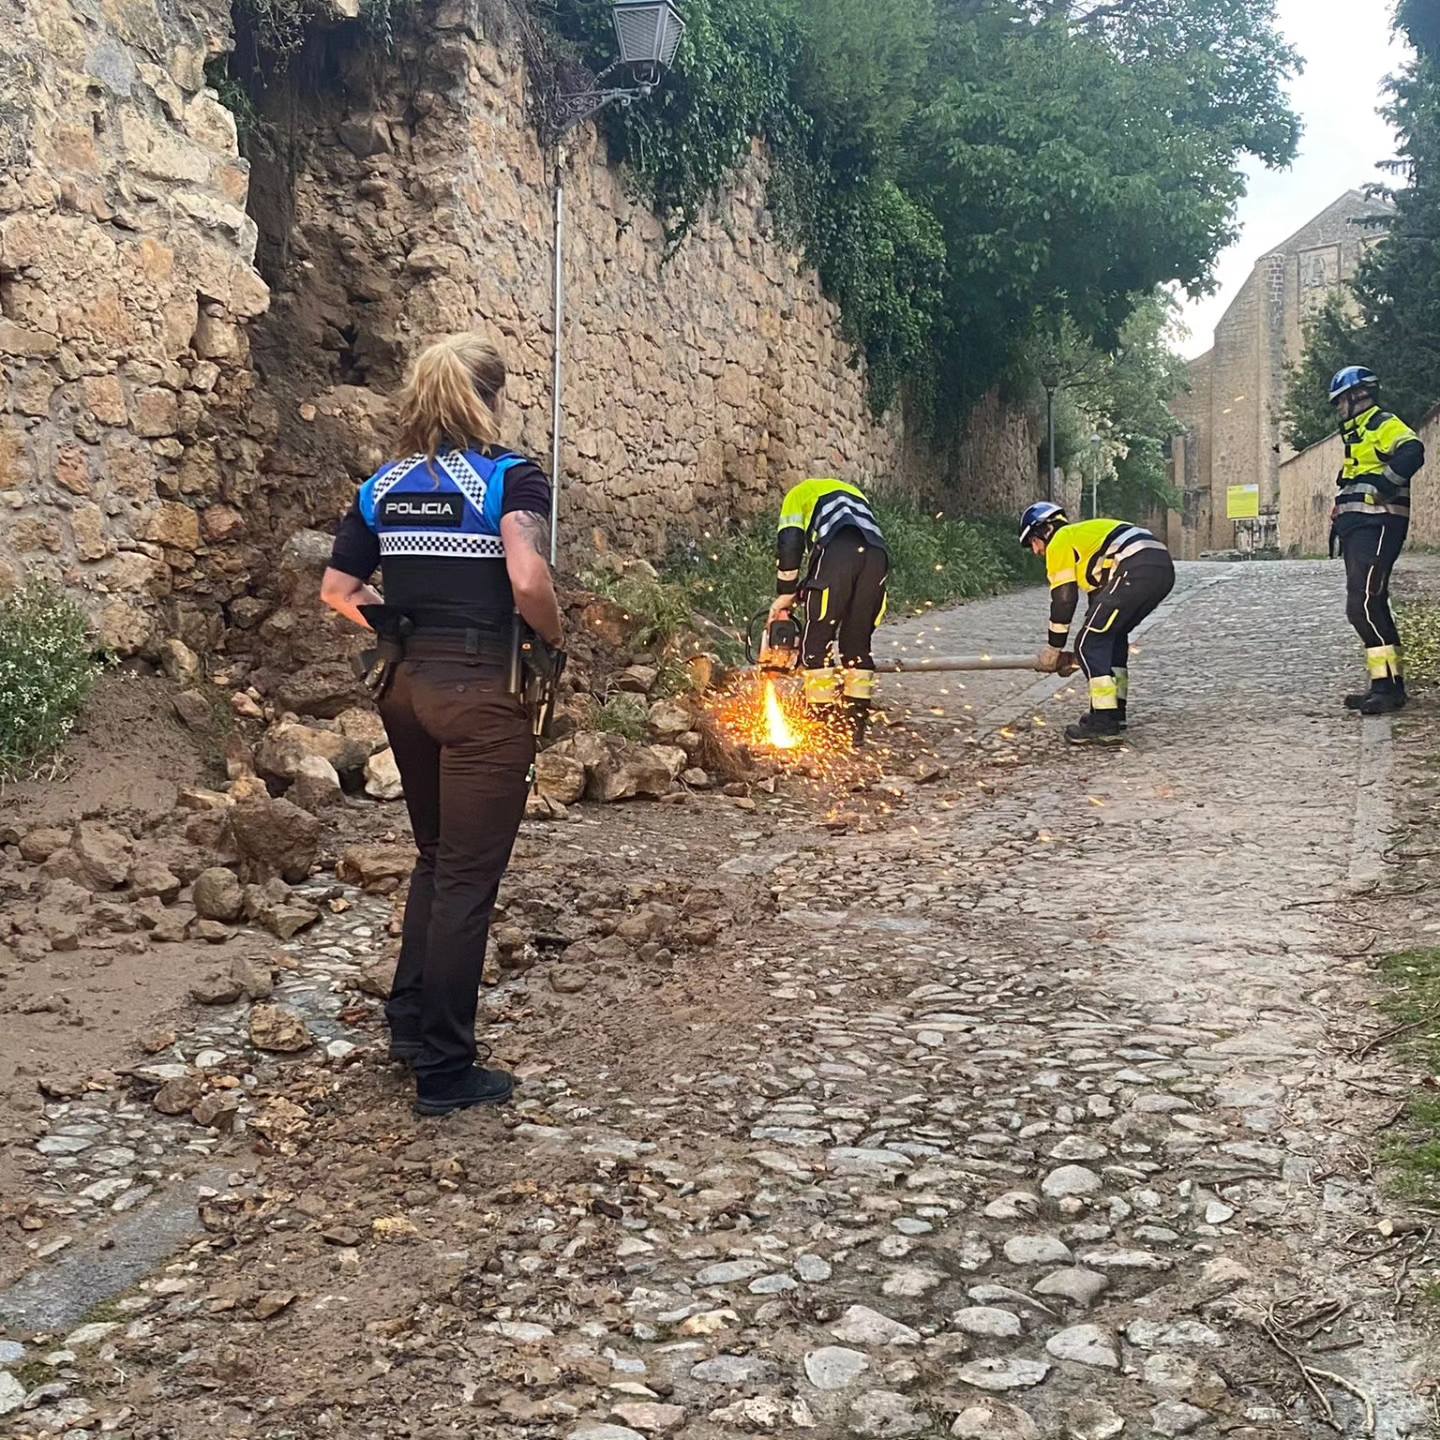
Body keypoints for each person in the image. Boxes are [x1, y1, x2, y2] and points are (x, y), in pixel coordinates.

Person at [319, 334, 563, 1116]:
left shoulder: (383, 486)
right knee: (466, 876)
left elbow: (337, 588)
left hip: (407, 688)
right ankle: (447, 1070)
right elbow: (526, 577)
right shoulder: (509, 477)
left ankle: (409, 1023)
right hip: (484, 691)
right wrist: (553, 637)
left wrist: (391, 629)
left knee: (433, 858)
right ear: (489, 398)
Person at [1019, 501, 1175, 746]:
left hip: (1135, 566)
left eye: (1033, 543)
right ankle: (1114, 712)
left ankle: (1103, 722)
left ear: (1045, 530)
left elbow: (1064, 599)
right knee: (1109, 638)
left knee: (1087, 643)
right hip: (1160, 568)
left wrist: (1053, 649)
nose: (1036, 552)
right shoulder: (1087, 543)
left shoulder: (1061, 539)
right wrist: (1075, 661)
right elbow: (1095, 610)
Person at [1328, 365, 1426, 714]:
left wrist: (1383, 489)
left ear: (1357, 397)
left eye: (1340, 402)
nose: (1338, 409)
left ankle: (1391, 689)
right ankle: (1384, 684)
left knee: (1364, 605)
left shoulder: (1379, 423)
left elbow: (1412, 449)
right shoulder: (1356, 435)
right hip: (1360, 529)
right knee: (1369, 605)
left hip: (1379, 525)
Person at [767, 477, 889, 744]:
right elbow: (837, 569)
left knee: (817, 642)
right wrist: (804, 591)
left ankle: (821, 729)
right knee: (856, 646)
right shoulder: (854, 495)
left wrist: (785, 592)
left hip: (838, 552)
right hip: (878, 556)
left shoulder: (797, 495)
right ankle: (854, 730)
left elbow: (791, 543)